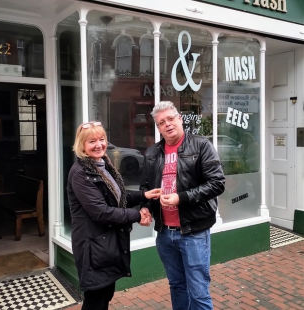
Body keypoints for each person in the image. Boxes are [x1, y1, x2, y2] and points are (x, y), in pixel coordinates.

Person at [140, 101, 225, 310]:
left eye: (170, 119)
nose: (167, 124)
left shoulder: (201, 145)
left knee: (198, 292)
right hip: (165, 234)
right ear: (158, 127)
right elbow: (146, 187)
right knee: (177, 286)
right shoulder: (152, 153)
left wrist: (182, 197)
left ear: (180, 119)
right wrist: (145, 208)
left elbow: (217, 183)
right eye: (161, 122)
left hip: (193, 232)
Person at [66, 121, 160, 310]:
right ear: (81, 145)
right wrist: (138, 215)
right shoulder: (80, 173)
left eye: (102, 139)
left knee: (105, 295)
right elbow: (102, 212)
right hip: (93, 247)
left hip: (105, 245)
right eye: (92, 141)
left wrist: (143, 195)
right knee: (96, 300)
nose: (99, 144)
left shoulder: (102, 165)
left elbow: (117, 195)